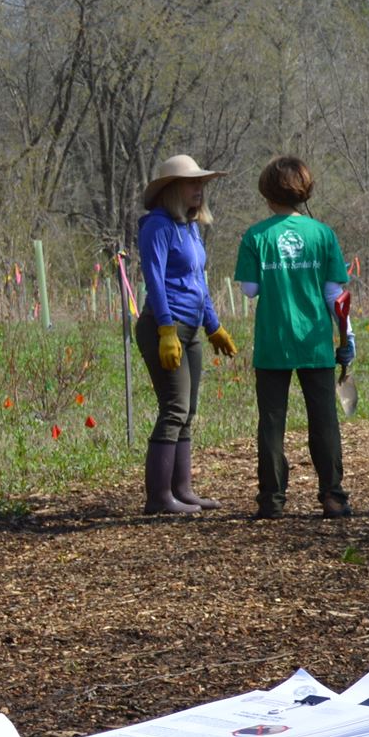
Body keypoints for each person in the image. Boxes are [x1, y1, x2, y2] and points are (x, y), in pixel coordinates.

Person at [233, 156, 354, 518]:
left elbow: (250, 290)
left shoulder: (256, 236)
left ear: (267, 193)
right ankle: (333, 496)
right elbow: (337, 296)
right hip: (315, 341)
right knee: (324, 420)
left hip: (273, 343)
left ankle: (271, 500)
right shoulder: (323, 234)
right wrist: (347, 337)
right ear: (305, 191)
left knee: (271, 422)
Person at [133, 154, 238, 514]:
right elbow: (155, 281)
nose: (199, 189)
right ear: (172, 189)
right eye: (193, 183)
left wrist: (213, 326)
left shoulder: (189, 227)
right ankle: (159, 498)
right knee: (174, 408)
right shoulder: (157, 227)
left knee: (188, 410)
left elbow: (199, 283)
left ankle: (183, 489)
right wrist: (165, 329)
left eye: (202, 184)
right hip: (166, 326)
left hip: (191, 328)